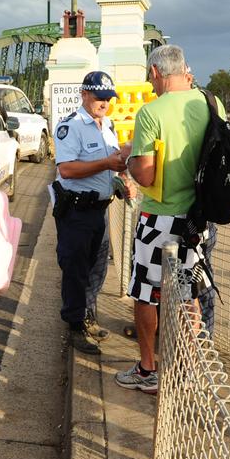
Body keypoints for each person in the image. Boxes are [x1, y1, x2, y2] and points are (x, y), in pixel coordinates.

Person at [117, 45, 221, 394]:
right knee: (189, 295)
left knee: (147, 294)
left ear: (156, 73)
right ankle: (189, 371)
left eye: (151, 76)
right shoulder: (210, 103)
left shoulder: (151, 112)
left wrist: (129, 157)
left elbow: (145, 176)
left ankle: (149, 369)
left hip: (160, 217)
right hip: (199, 218)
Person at [52, 71, 132, 354]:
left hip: (100, 209)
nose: (104, 103)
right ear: (84, 94)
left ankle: (87, 316)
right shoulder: (71, 126)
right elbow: (67, 169)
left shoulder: (107, 125)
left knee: (96, 269)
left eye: (109, 99)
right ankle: (74, 325)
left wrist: (122, 181)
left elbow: (112, 165)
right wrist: (108, 164)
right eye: (99, 98)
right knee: (75, 270)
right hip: (76, 211)